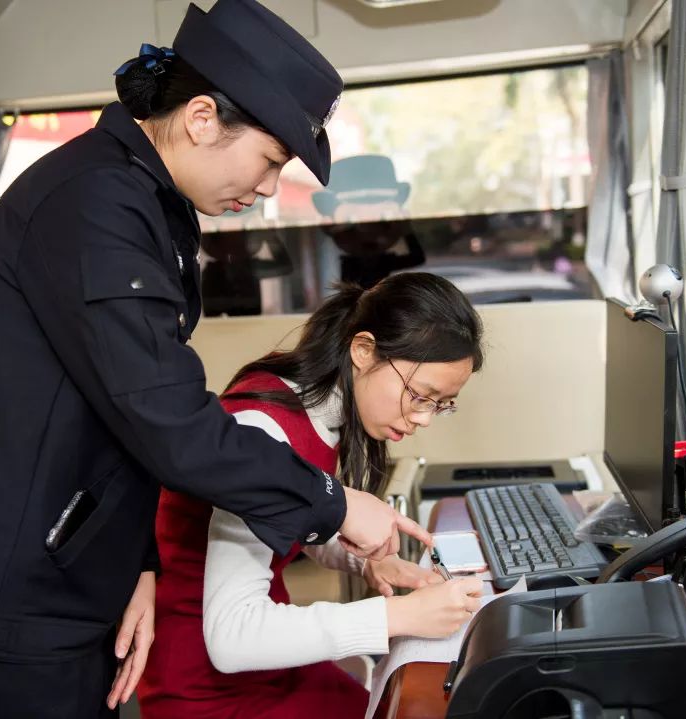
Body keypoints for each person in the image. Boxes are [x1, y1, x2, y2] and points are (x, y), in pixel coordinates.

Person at [0, 2, 431, 718]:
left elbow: (119, 423)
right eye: (270, 160)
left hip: (66, 602)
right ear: (202, 117)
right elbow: (169, 419)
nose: (270, 187)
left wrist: (139, 564)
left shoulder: (147, 203)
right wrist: (331, 505)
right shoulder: (93, 205)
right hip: (3, 627)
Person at [138, 272, 486, 718]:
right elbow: (231, 638)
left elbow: (284, 526)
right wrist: (396, 618)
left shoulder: (314, 402)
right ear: (363, 350)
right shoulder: (261, 428)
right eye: (420, 396)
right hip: (208, 684)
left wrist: (365, 559)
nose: (424, 419)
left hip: (269, 661)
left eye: (441, 404)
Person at [313, 154, 426, 289]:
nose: (368, 231)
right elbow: (417, 258)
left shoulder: (381, 261)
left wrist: (406, 230)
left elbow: (417, 258)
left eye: (383, 218)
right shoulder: (346, 262)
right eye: (351, 221)